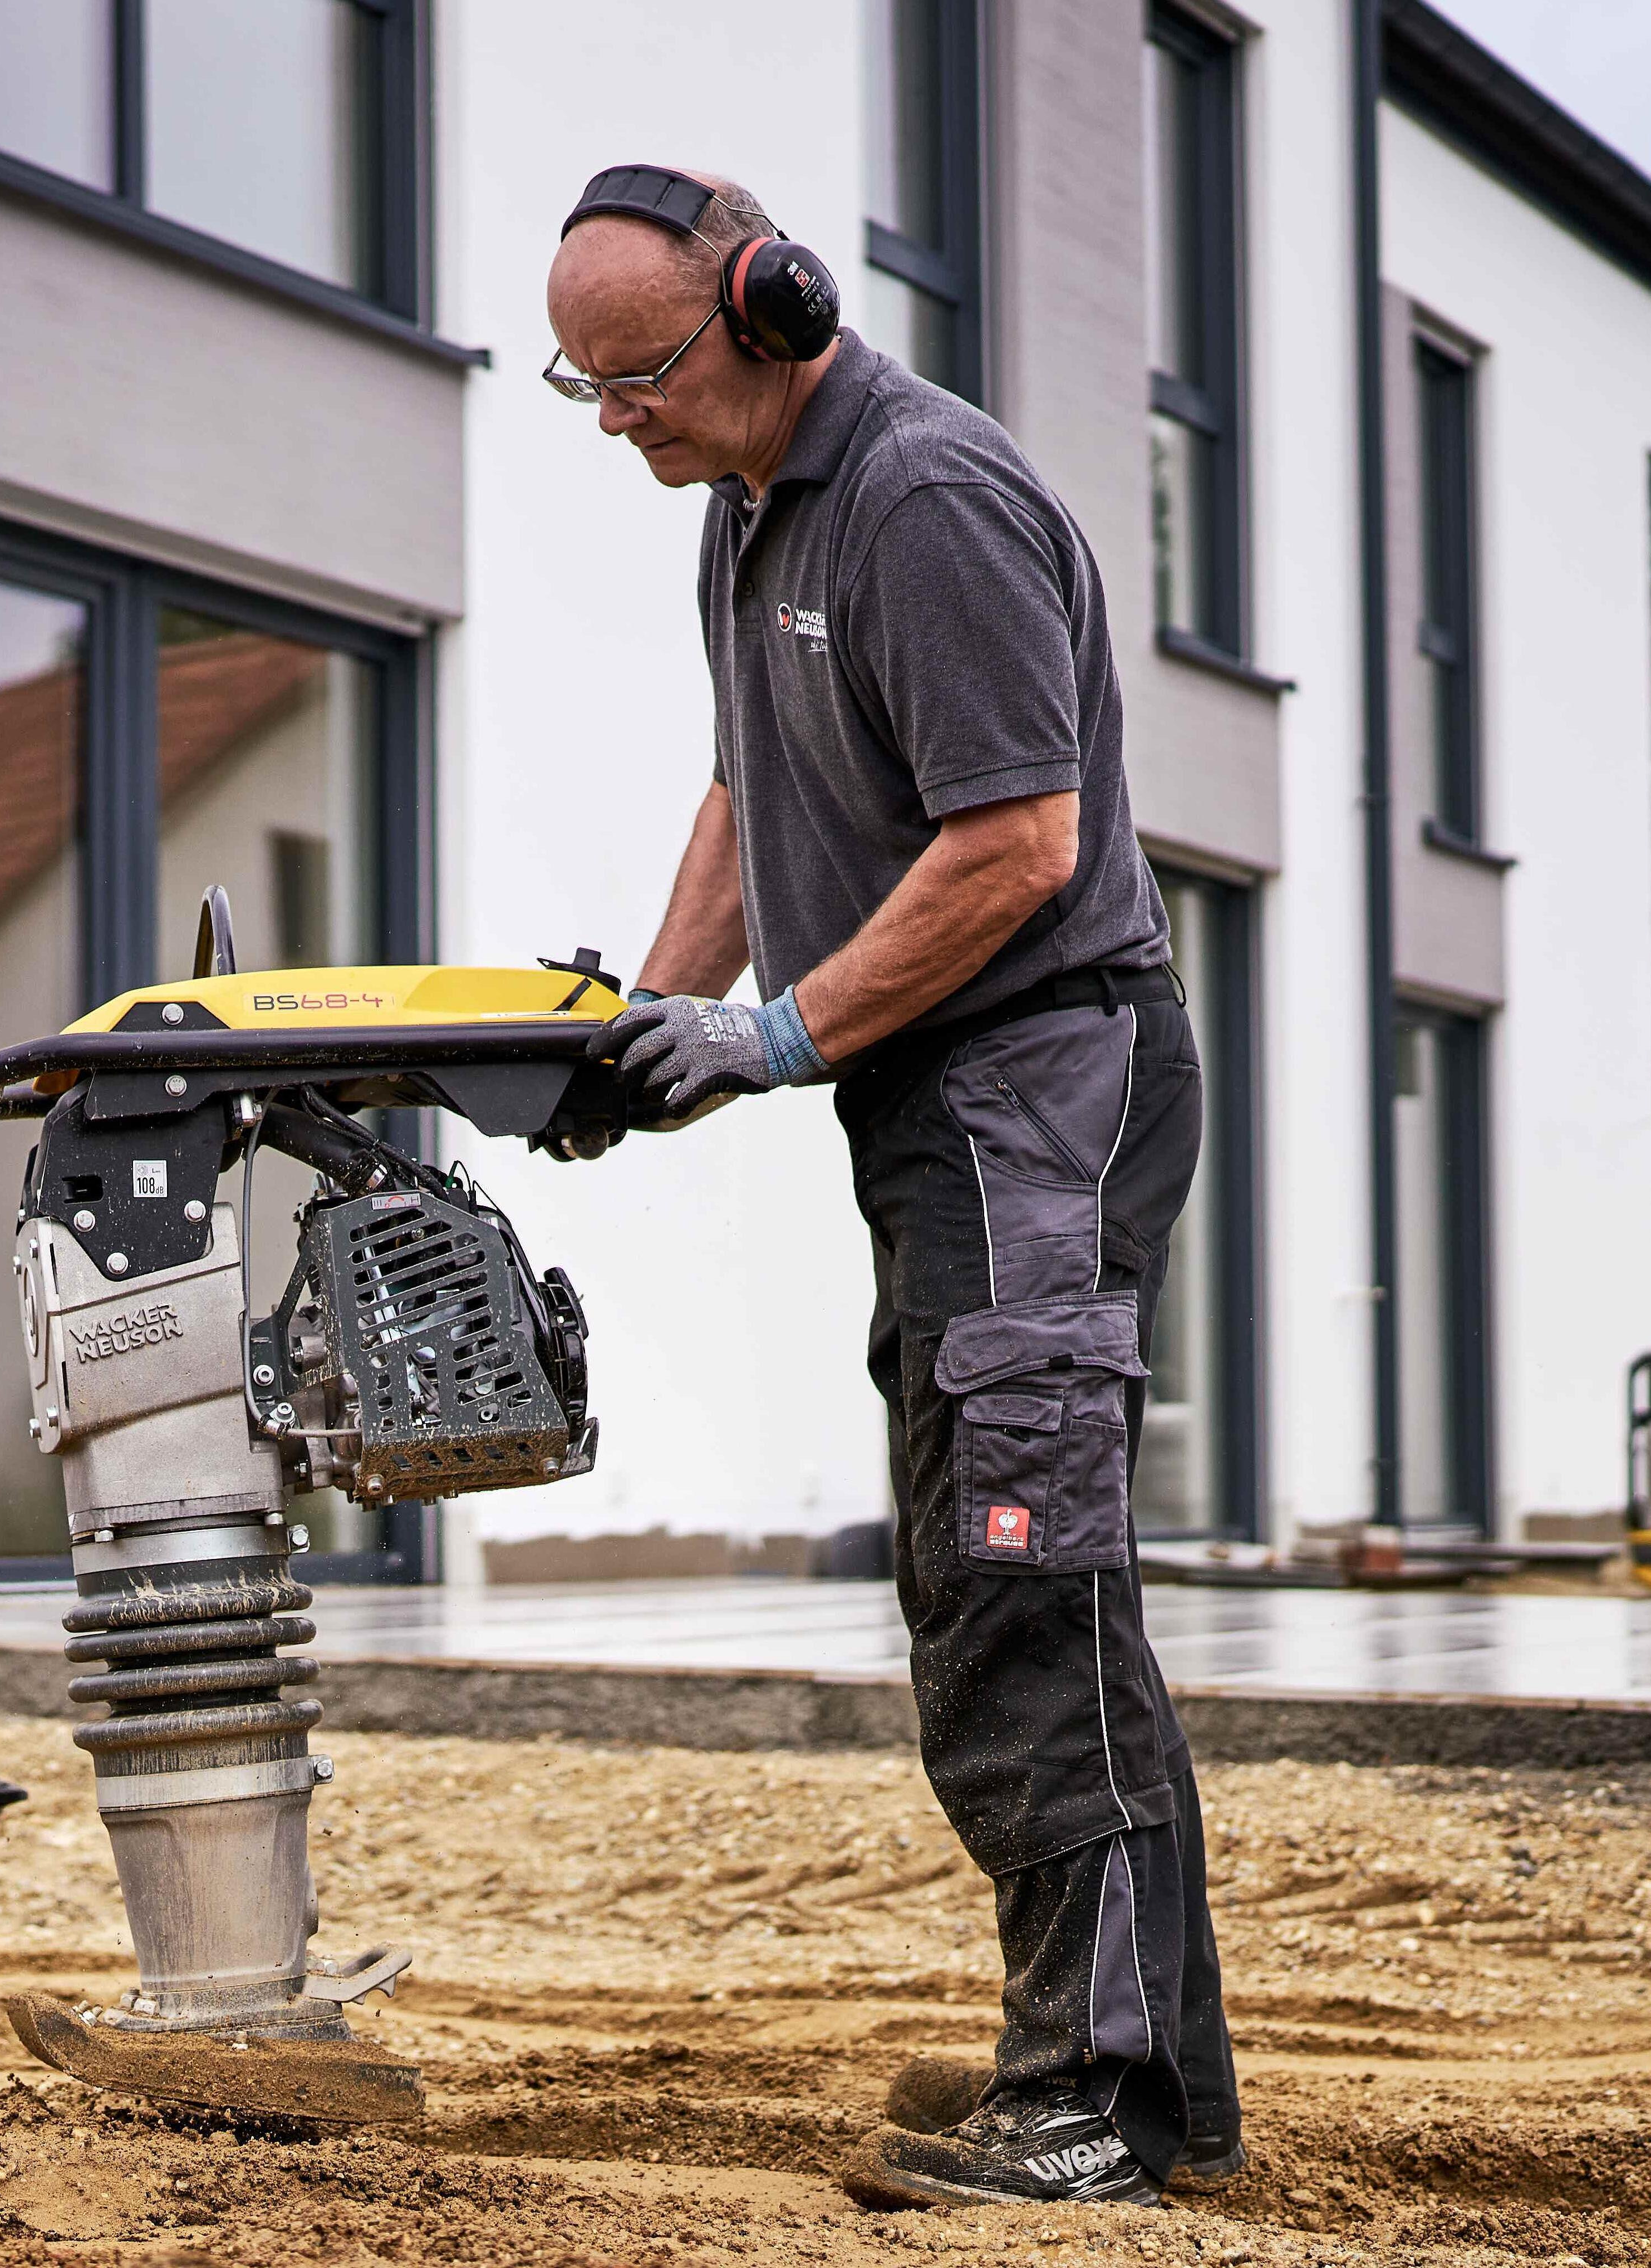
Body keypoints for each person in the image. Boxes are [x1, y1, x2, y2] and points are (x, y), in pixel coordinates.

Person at [534, 164, 1244, 2212]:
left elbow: (1020, 844)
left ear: (771, 305)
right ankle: (1135, 2077)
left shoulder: (928, 502)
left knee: (1028, 1568)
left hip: (1043, 1080)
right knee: (978, 1574)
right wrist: (639, 1027)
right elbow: (756, 786)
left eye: (641, 374)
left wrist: (773, 1039)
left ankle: (1093, 2092)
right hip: (933, 1105)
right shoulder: (750, 520)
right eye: (581, 389)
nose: (619, 422)